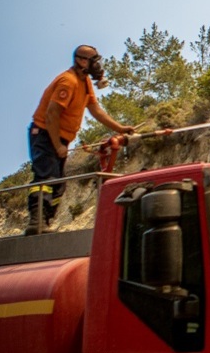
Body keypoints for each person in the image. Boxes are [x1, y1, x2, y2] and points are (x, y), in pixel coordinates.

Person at [26, 45, 134, 235]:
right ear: (82, 61)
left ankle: (46, 222)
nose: (98, 66)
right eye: (94, 61)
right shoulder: (68, 82)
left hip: (60, 137)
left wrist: (120, 128)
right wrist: (57, 145)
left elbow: (96, 110)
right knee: (46, 178)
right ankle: (36, 223)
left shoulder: (84, 83)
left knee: (59, 184)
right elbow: (51, 115)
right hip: (44, 134)